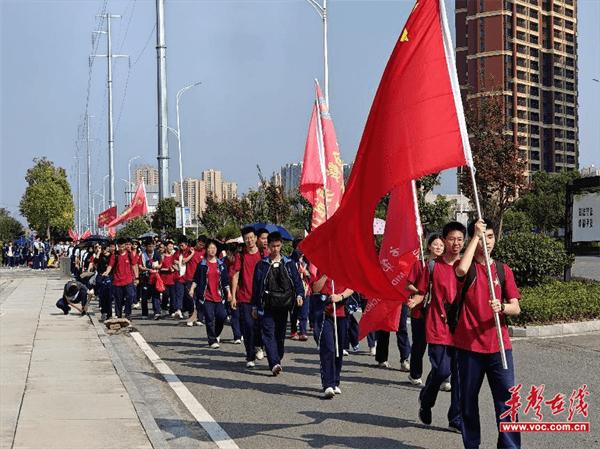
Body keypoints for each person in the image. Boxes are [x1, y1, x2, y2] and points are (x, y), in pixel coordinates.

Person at [454, 219, 521, 449]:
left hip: (500, 347)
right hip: (469, 348)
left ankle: (510, 446)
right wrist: (474, 236)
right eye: (483, 236)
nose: (487, 241)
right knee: (468, 401)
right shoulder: (468, 267)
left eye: (490, 236)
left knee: (507, 401)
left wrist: (501, 307)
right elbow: (460, 269)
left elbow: (516, 307)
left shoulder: (503, 270)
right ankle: (472, 444)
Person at [412, 221, 465, 432]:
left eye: (460, 239)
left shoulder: (466, 266)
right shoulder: (433, 266)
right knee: (442, 370)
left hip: (462, 328)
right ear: (444, 240)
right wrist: (415, 299)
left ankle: (456, 418)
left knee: (460, 376)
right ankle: (426, 399)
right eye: (452, 239)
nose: (456, 243)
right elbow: (422, 290)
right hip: (438, 325)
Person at [251, 232, 304, 375]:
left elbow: (297, 282)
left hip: (283, 305)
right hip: (266, 306)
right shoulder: (261, 265)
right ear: (267, 246)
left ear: (281, 245)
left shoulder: (289, 263)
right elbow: (256, 287)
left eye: (278, 246)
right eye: (272, 246)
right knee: (268, 333)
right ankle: (274, 363)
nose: (275, 249)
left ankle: (277, 356)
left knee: (280, 335)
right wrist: (255, 306)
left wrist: (299, 295)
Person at [407, 233, 445, 386]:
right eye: (436, 244)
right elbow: (408, 284)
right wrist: (421, 291)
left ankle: (443, 377)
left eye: (441, 245)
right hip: (420, 311)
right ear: (429, 246)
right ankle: (415, 374)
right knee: (419, 344)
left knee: (441, 346)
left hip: (439, 312)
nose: (439, 247)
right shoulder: (420, 264)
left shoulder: (446, 265)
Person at [312, 270, 354, 399]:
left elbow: (352, 287)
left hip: (341, 312)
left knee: (338, 348)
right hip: (325, 313)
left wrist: (340, 296)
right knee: (328, 348)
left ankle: (335, 381)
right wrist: (325, 275)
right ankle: (328, 384)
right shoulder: (322, 267)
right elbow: (315, 288)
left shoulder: (344, 267)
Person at [231, 226, 266, 368]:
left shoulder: (263, 255)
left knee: (261, 326)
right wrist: (233, 296)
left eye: (251, 237)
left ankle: (259, 345)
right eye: (246, 238)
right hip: (245, 297)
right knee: (248, 326)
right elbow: (235, 275)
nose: (249, 240)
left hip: (262, 298)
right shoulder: (241, 255)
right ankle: (249, 356)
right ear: (244, 240)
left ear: (256, 238)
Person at [189, 240, 232, 348]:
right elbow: (196, 279)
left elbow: (226, 281)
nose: (211, 250)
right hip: (206, 296)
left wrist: (229, 293)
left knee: (222, 316)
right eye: (209, 248)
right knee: (209, 318)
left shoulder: (221, 264)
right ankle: (212, 340)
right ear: (206, 250)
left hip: (219, 296)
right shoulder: (202, 264)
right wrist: (192, 289)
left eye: (213, 248)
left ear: (217, 250)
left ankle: (216, 334)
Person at [102, 237, 138, 320]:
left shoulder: (129, 255)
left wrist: (136, 277)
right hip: (117, 281)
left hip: (128, 280)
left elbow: (134, 265)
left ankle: (128, 313)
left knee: (130, 296)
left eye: (122, 246)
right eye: (119, 246)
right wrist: (107, 272)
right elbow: (110, 265)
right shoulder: (115, 255)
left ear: (125, 246)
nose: (121, 248)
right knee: (118, 299)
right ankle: (119, 315)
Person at [185, 237, 207, 327]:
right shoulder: (190, 250)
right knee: (191, 298)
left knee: (200, 299)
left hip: (201, 279)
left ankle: (199, 318)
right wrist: (192, 252)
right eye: (200, 244)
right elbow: (184, 260)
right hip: (190, 278)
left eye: (203, 245)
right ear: (197, 242)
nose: (201, 246)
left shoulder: (205, 252)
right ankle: (192, 316)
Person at [138, 239, 162, 320]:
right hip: (145, 278)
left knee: (156, 295)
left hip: (155, 278)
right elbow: (140, 266)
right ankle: (144, 313)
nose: (151, 248)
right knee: (144, 297)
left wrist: (157, 267)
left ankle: (157, 312)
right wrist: (148, 270)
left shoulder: (157, 254)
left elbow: (161, 264)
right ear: (146, 247)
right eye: (149, 246)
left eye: (152, 246)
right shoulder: (142, 255)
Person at [160, 240, 182, 318]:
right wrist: (167, 269)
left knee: (173, 296)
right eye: (169, 246)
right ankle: (163, 309)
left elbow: (178, 267)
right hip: (164, 279)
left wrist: (175, 268)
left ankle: (172, 311)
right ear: (166, 247)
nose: (171, 248)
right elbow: (160, 268)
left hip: (173, 279)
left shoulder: (174, 256)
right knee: (165, 295)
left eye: (172, 246)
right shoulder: (162, 256)